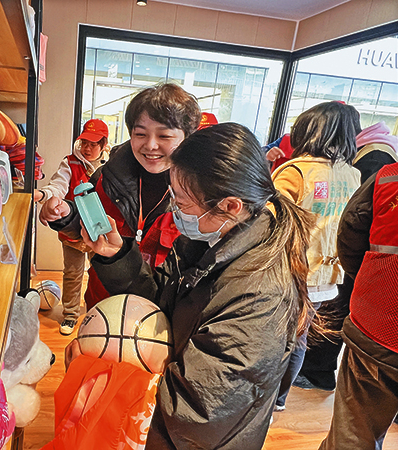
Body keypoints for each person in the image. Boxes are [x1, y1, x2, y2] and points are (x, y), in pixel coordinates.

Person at [75, 122, 315, 449]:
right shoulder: (205, 240)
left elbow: (200, 412)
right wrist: (117, 255)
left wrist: (99, 376)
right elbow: (160, 299)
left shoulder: (260, 294)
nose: (174, 209)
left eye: (182, 202)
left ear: (230, 205)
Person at [39, 83, 202, 314]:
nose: (151, 145)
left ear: (187, 137)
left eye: (164, 135)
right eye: (140, 134)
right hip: (103, 303)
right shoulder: (108, 177)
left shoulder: (200, 195)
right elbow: (89, 226)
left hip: (159, 315)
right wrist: (66, 214)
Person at [271, 101, 361, 411]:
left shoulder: (296, 171)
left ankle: (269, 399)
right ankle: (279, 399)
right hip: (328, 274)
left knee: (276, 337)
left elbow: (270, 219)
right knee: (300, 335)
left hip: (291, 269)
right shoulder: (352, 175)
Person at [319, 161, 398, 449]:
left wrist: (372, 280)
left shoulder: (389, 177)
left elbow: (349, 235)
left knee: (353, 433)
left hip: (380, 323)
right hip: (379, 323)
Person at [34, 118, 110, 335]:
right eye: (84, 142)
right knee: (73, 273)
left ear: (103, 145)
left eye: (93, 144)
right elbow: (58, 185)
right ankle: (70, 314)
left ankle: (98, 312)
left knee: (101, 274)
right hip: (74, 231)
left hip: (100, 231)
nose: (87, 148)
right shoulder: (70, 163)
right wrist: (44, 195)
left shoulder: (111, 166)